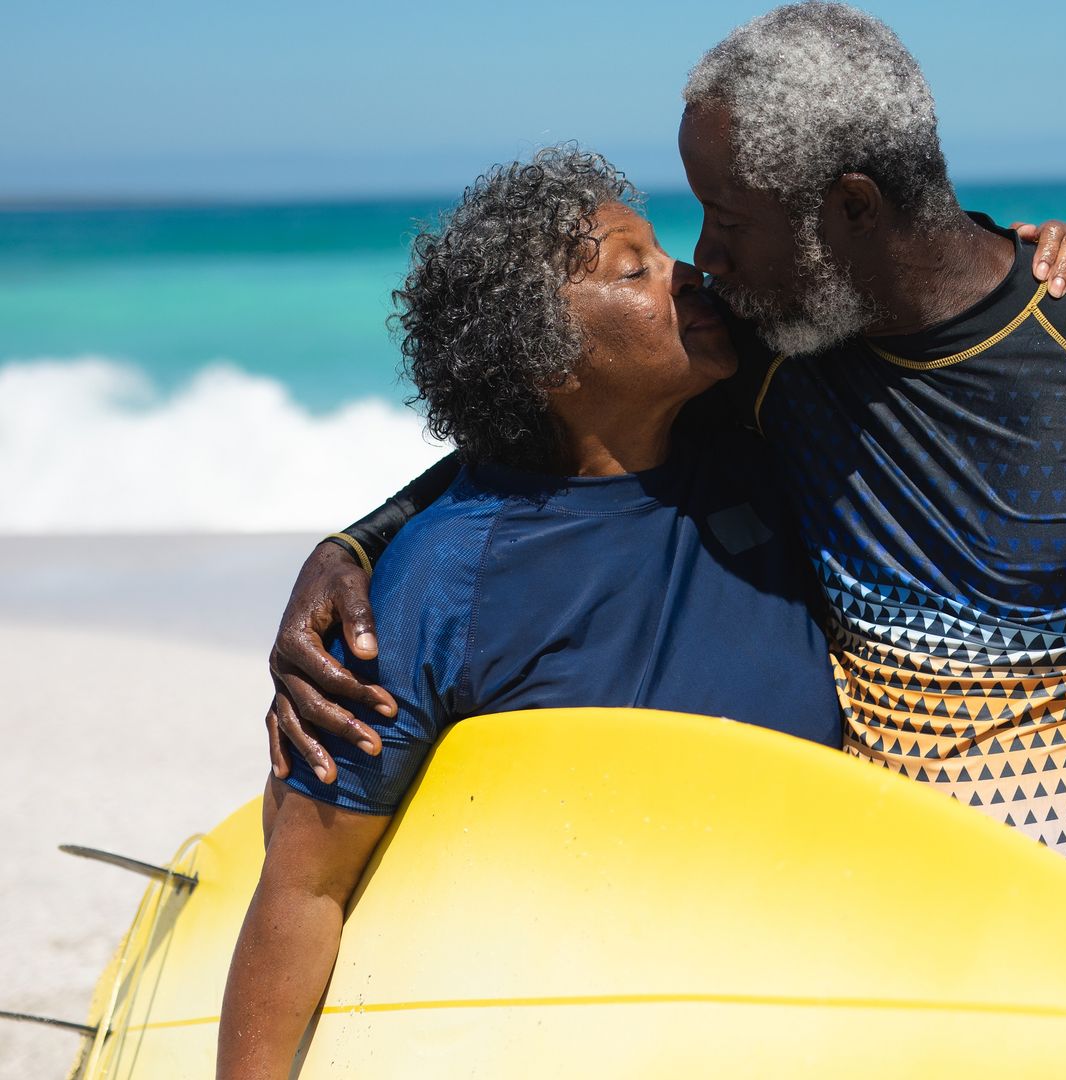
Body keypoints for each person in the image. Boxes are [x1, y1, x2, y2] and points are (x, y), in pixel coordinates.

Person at [271, 4, 1066, 922]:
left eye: (727, 220)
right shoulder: (773, 361)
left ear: (849, 208)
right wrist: (360, 542)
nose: (702, 262)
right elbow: (560, 422)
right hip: (853, 965)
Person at [216, 149, 847, 1079]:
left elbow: (927, 303)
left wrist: (1052, 268)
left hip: (822, 954)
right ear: (549, 361)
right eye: (635, 269)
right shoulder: (447, 575)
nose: (687, 270)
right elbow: (304, 886)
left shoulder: (756, 432)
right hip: (602, 1011)